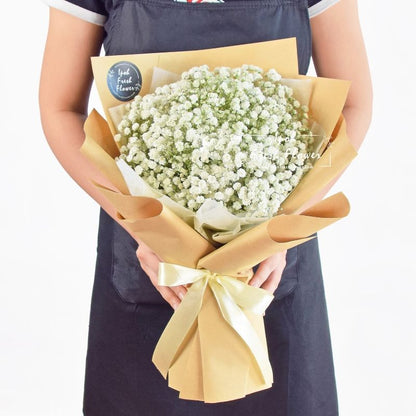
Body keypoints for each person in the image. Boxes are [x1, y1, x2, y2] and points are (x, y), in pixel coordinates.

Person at [39, 0, 372, 415]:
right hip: (149, 270)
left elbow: (354, 102)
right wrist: (146, 227)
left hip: (268, 275)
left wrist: (281, 228)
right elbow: (60, 107)